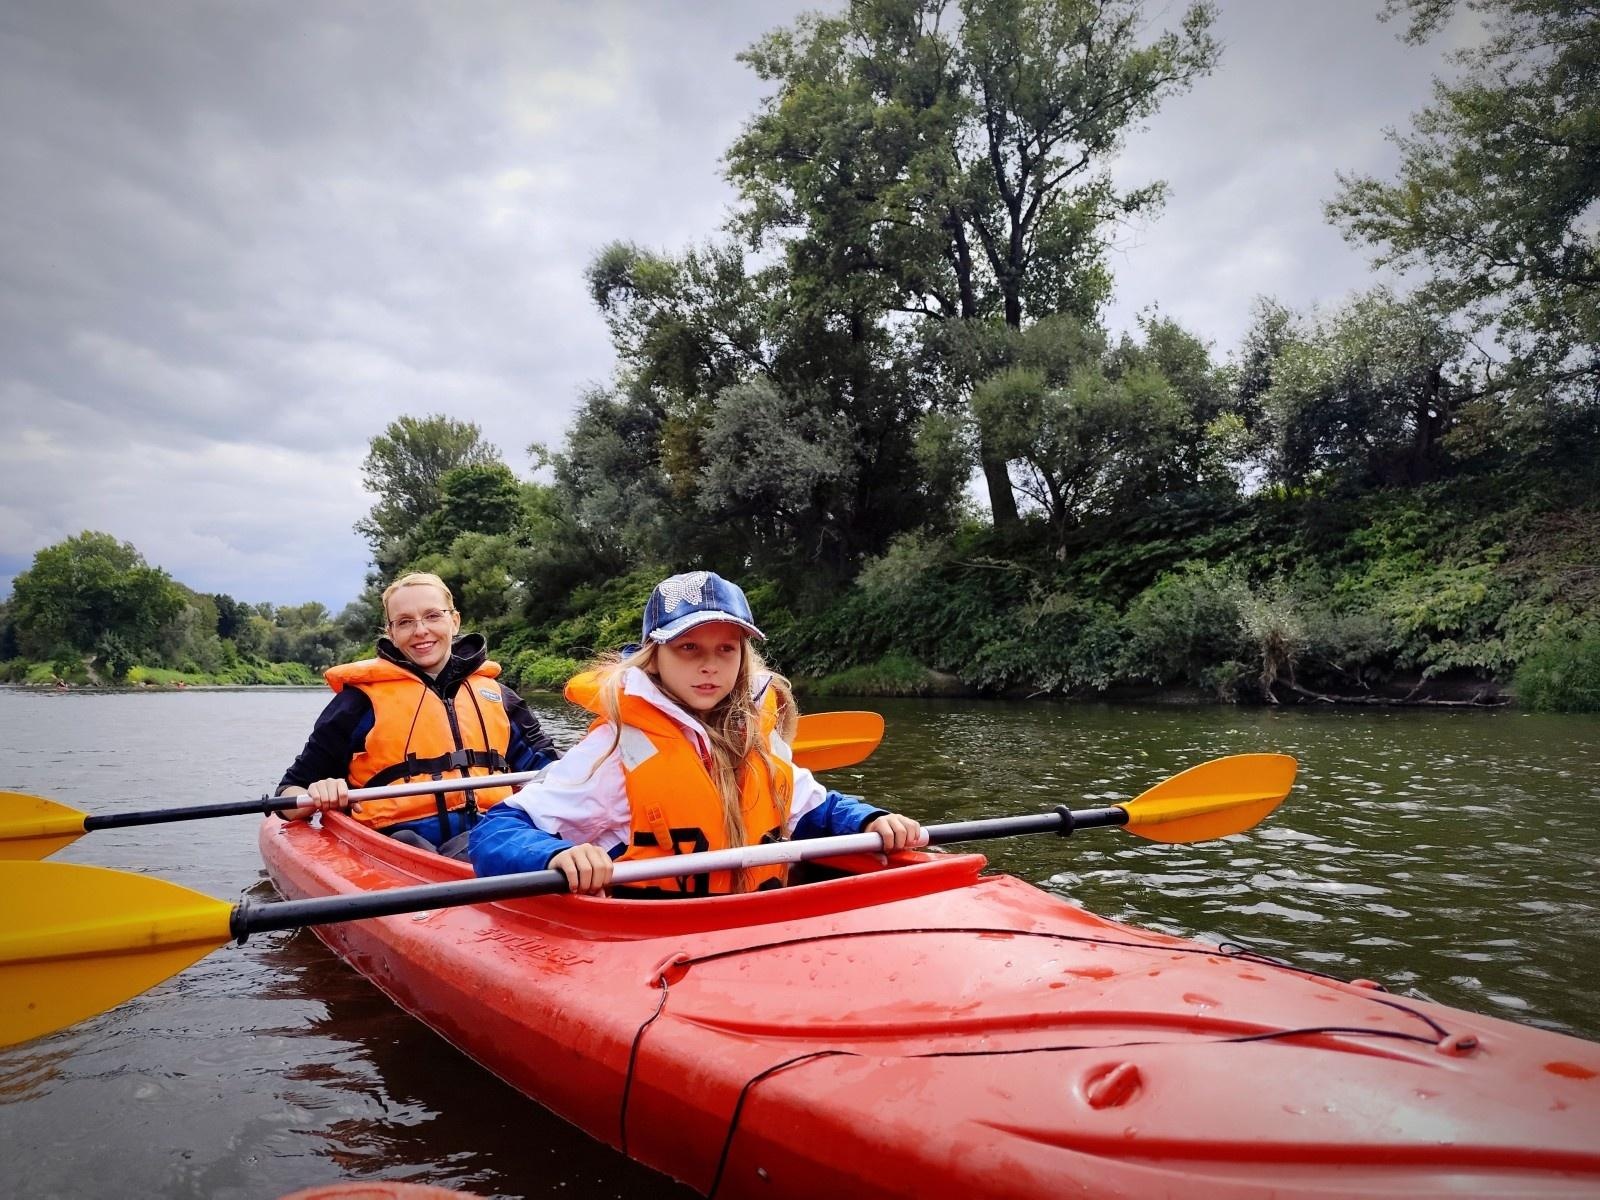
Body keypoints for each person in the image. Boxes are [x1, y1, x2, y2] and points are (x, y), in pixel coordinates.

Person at [470, 570, 922, 894]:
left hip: (759, 919)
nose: (709, 665)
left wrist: (870, 819)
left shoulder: (759, 735)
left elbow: (810, 808)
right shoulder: (616, 745)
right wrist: (553, 855)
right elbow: (495, 831)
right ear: (654, 655)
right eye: (688, 647)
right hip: (660, 932)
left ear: (742, 657)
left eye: (726, 649)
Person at [277, 571, 559, 859]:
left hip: (495, 834)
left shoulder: (499, 697)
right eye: (405, 622)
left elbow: (553, 771)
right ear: (391, 633)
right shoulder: (358, 703)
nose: (420, 630)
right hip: (398, 846)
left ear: (455, 621)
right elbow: (286, 796)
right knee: (417, 842)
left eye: (433, 616)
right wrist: (318, 793)